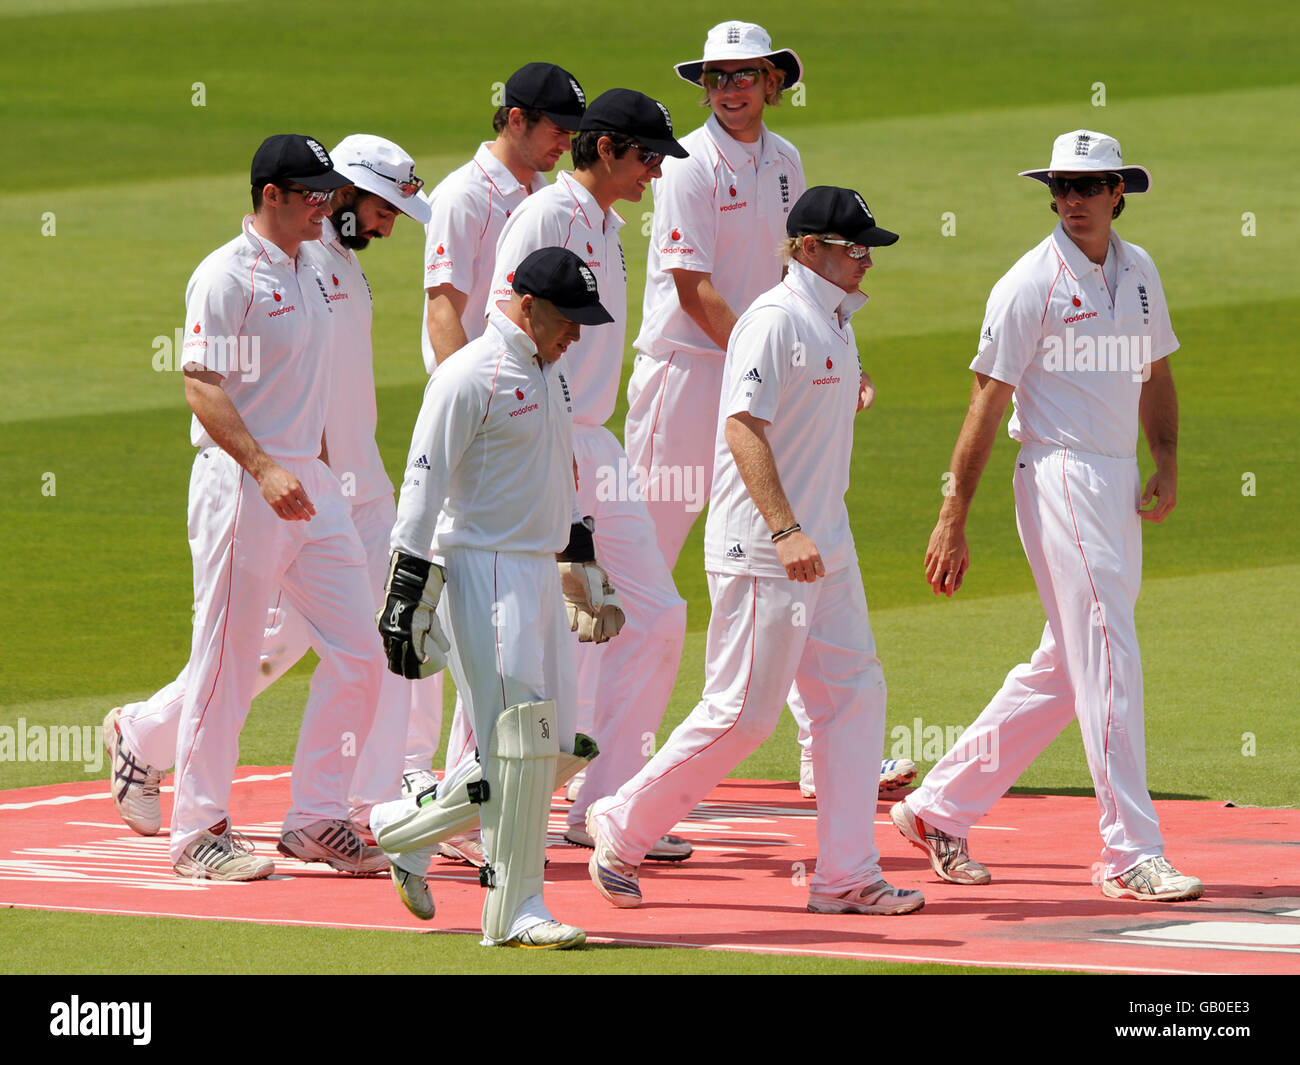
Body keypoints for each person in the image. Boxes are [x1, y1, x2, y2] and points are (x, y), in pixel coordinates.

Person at [586, 186, 924, 916]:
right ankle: (621, 822)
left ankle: (846, 874)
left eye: (869, 249)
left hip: (827, 545)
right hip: (767, 549)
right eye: (854, 248)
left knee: (854, 697)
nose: (867, 260)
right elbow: (742, 427)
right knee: (743, 714)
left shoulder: (834, 317)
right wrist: (784, 528)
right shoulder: (774, 320)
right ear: (810, 249)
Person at [891, 130, 1201, 903]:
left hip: (1116, 476)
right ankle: (1132, 850)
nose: (1072, 200)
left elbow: (1156, 370)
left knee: (1068, 667)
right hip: (1059, 473)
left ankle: (938, 808)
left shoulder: (1139, 271)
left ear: (1118, 192)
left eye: (1088, 187)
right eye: (1061, 187)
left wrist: (1165, 458)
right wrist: (952, 515)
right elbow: (985, 401)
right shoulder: (1029, 282)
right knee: (1110, 656)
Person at [104, 134, 424, 879]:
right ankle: (197, 831)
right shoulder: (226, 274)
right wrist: (264, 466)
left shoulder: (313, 266)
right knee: (228, 656)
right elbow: (200, 384)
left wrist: (320, 468)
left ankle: (315, 816)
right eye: (311, 193)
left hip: (313, 485)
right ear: (271, 195)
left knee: (362, 651)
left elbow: (321, 381)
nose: (325, 205)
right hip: (244, 484)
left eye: (328, 192)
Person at [621, 19, 910, 802]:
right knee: (640, 575)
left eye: (745, 74)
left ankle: (828, 754)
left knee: (794, 547)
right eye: (716, 77)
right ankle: (597, 760)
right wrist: (781, 361)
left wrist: (830, 356)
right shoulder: (687, 165)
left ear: (774, 82)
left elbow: (799, 282)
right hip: (686, 375)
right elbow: (693, 288)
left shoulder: (786, 161)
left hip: (760, 374)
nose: (729, 89)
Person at [370, 247, 618, 949]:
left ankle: (406, 831)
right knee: (519, 740)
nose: (577, 335)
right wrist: (406, 588)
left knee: (557, 743)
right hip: (482, 566)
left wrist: (579, 560)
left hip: (536, 567)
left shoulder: (550, 372)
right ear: (528, 306)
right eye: (568, 319)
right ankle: (513, 908)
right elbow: (422, 481)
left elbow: (558, 471)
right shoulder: (469, 375)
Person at [489, 90, 697, 859]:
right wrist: (534, 435)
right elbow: (502, 323)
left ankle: (606, 803)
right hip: (542, 438)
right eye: (647, 157)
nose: (655, 173)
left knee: (657, 616)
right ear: (605, 148)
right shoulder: (546, 216)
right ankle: (475, 809)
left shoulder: (607, 224)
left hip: (596, 445)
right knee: (526, 628)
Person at [407, 63, 586, 864]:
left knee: (529, 711)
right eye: (555, 127)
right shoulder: (464, 196)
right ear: (515, 118)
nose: (564, 143)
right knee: (512, 706)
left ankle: (425, 831)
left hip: (528, 416)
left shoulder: (542, 197)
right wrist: (480, 407)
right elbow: (445, 309)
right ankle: (490, 853)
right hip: (486, 432)